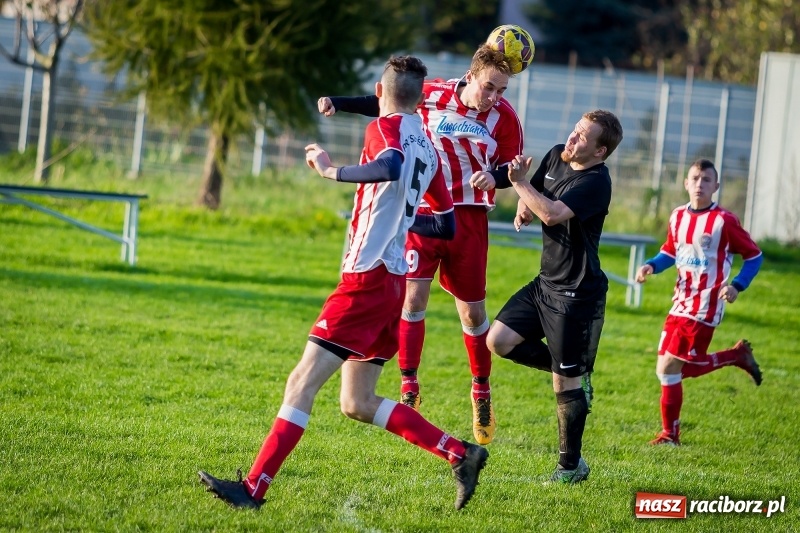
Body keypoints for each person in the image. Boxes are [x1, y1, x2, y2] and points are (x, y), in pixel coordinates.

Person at [198, 56, 489, 511]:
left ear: (379, 91)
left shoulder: (385, 131)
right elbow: (447, 226)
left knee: (301, 383)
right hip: (392, 285)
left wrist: (330, 170)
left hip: (366, 281)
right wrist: (404, 223)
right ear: (417, 96)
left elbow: (390, 165)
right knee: (356, 400)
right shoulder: (429, 149)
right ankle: (461, 452)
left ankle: (253, 489)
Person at [318, 44, 524, 445]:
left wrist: (495, 178)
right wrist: (337, 102)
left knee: (473, 315)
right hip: (424, 212)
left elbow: (512, 169)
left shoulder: (505, 118)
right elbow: (385, 100)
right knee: (412, 301)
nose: (494, 97)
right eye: (489, 87)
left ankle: (481, 391)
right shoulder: (433, 92)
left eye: (501, 90)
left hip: (469, 219)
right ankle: (409, 389)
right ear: (471, 75)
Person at [485, 110, 624, 483]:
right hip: (546, 283)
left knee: (563, 385)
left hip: (577, 294)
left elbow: (552, 212)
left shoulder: (597, 181)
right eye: (575, 129)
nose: (573, 138)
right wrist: (522, 207)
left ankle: (569, 468)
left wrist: (519, 186)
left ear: (600, 151)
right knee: (498, 340)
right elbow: (536, 197)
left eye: (583, 137)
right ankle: (576, 373)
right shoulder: (557, 154)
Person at [635, 159, 763, 446]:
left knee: (670, 368)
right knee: (666, 370)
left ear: (715, 186)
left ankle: (670, 435)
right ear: (686, 183)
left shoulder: (724, 222)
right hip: (679, 302)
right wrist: (651, 266)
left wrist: (737, 285)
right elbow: (670, 251)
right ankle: (735, 356)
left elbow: (754, 256)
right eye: (695, 178)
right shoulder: (677, 216)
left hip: (705, 306)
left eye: (706, 180)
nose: (699, 184)